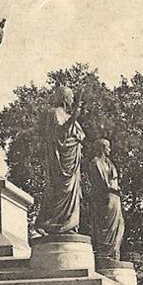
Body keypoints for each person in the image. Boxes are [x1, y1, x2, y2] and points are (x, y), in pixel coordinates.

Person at [36, 86, 86, 235]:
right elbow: (59, 134)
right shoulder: (55, 112)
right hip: (61, 162)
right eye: (70, 97)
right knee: (60, 190)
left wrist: (73, 117)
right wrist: (74, 117)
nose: (72, 100)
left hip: (72, 163)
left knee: (71, 192)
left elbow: (79, 136)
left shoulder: (67, 114)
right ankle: (53, 224)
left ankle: (68, 225)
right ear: (64, 98)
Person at [86, 138, 126, 262]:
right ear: (102, 148)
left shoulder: (109, 163)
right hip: (104, 199)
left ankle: (114, 254)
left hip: (115, 198)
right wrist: (113, 187)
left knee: (119, 226)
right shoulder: (95, 163)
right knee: (106, 226)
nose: (110, 149)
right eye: (108, 147)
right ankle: (105, 255)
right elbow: (102, 183)